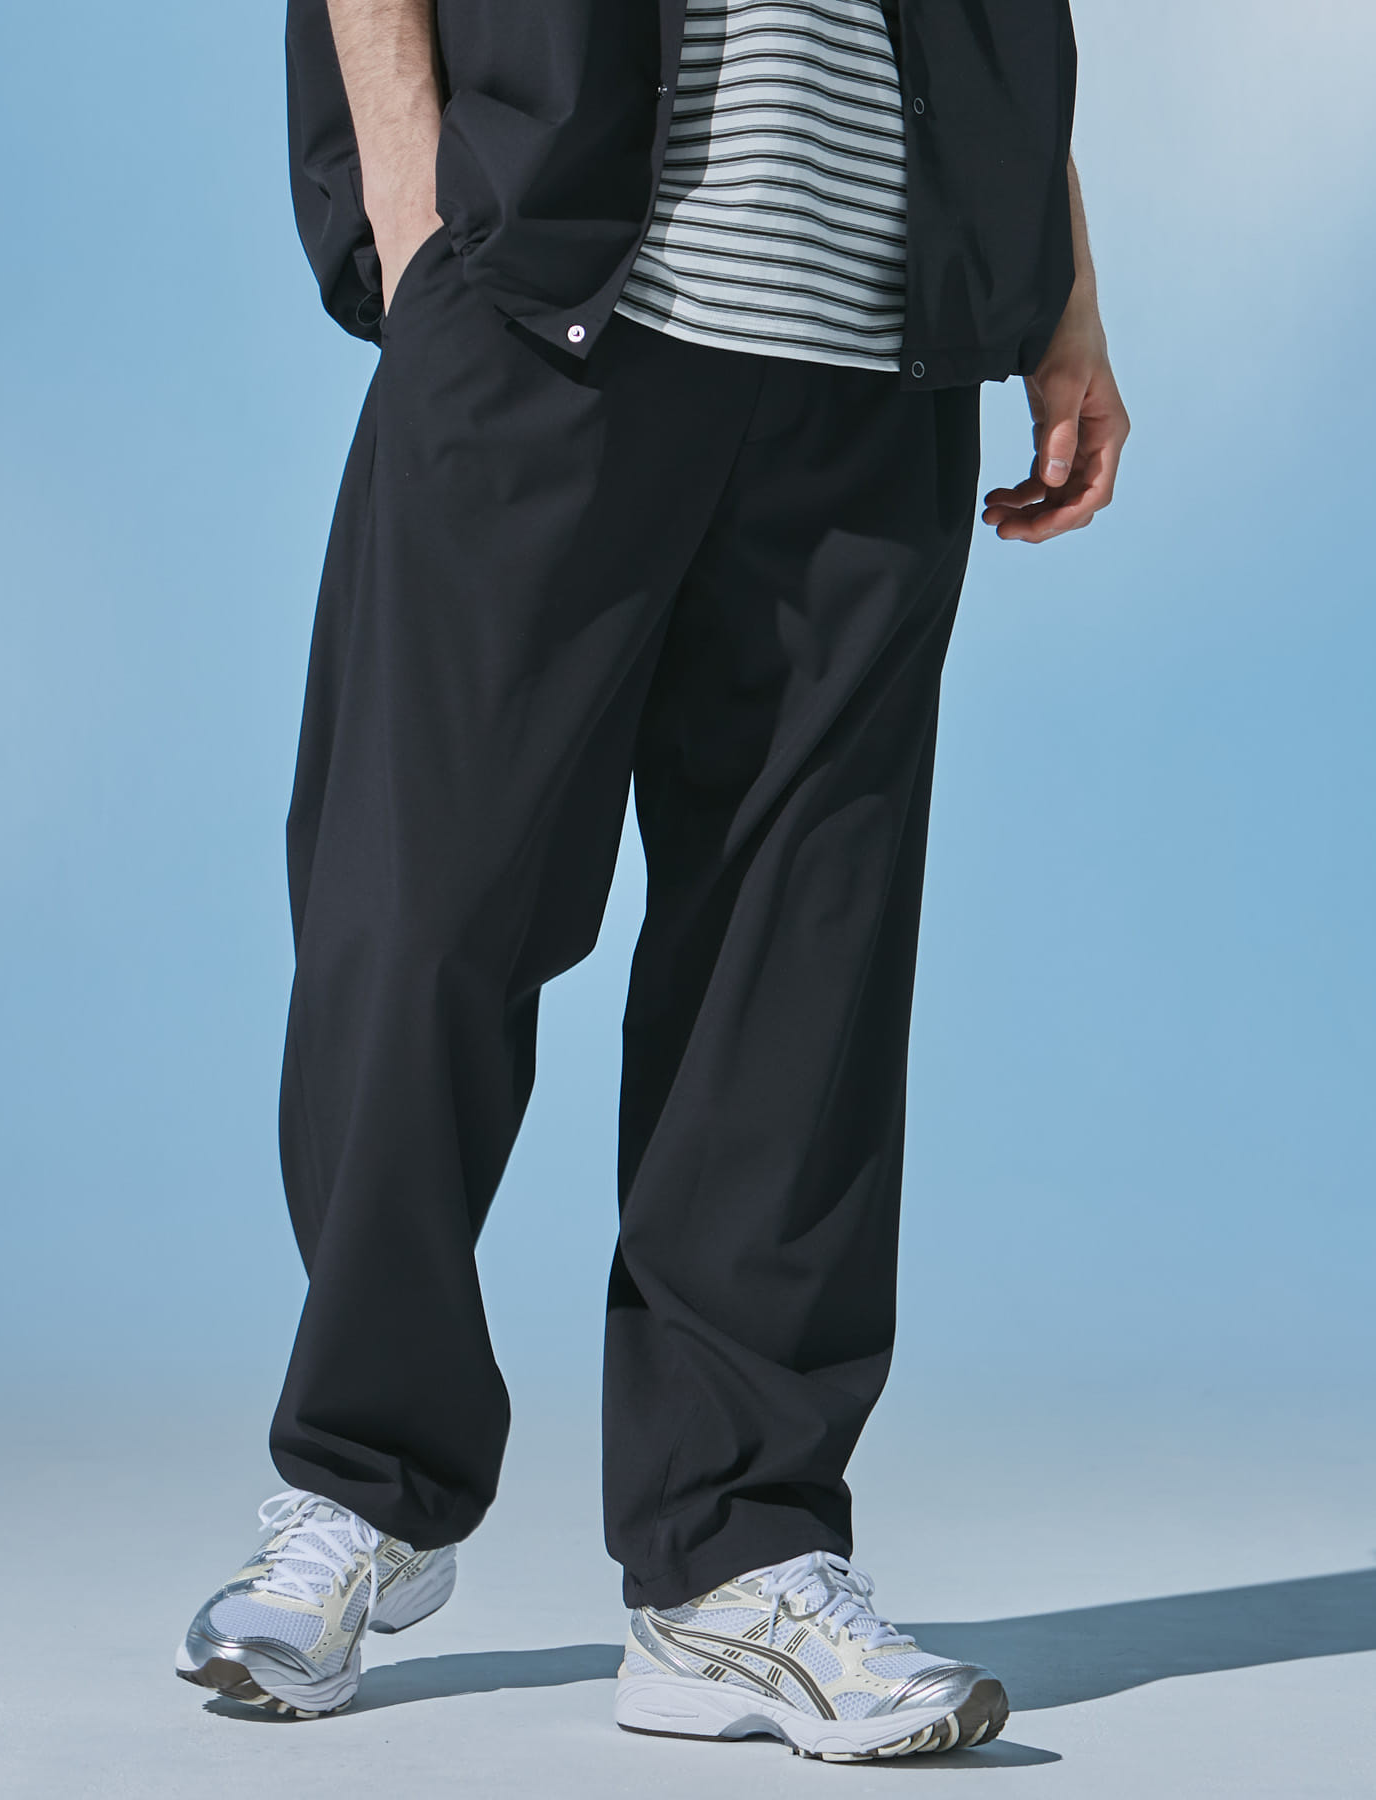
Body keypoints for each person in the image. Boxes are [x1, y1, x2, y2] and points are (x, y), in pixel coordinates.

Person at [176, 0, 1128, 1761]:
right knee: (420, 913)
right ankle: (361, 1489)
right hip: (549, 297)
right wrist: (416, 216)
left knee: (801, 965)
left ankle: (733, 1560)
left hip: (878, 352)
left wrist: (1058, 292)